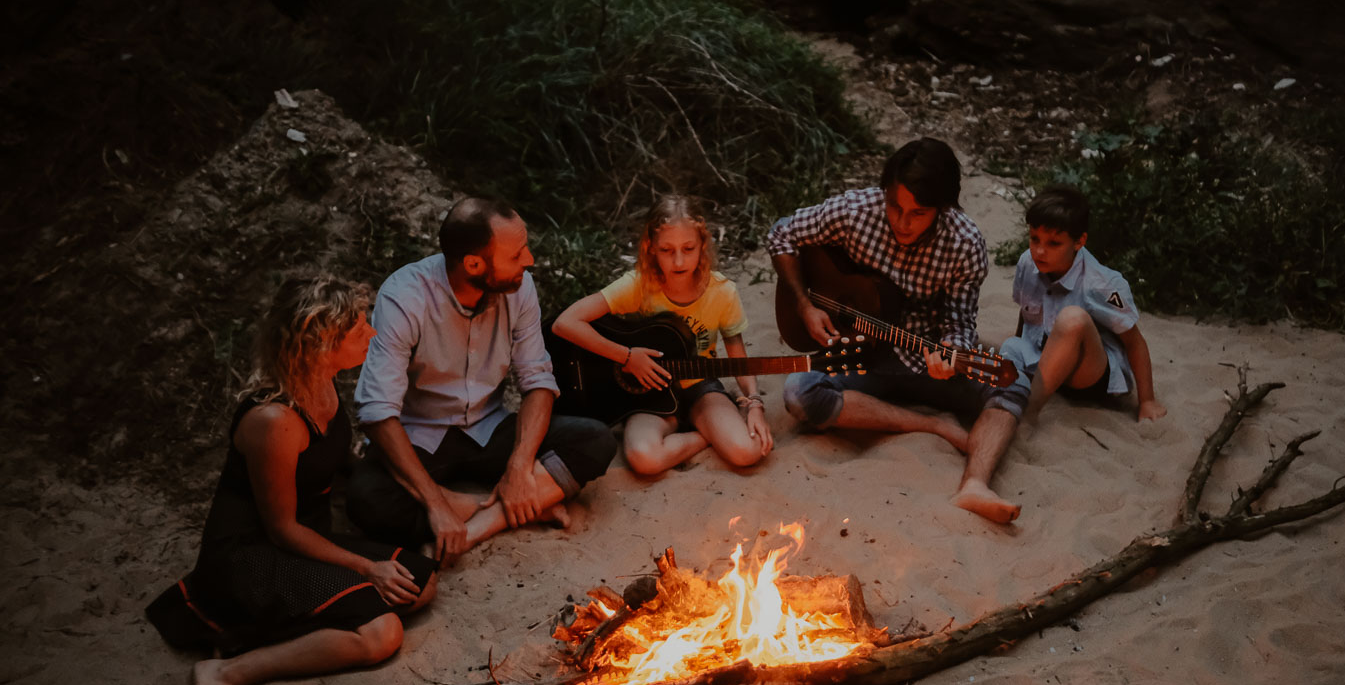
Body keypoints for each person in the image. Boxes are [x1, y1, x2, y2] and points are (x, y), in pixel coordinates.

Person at [146, 275, 440, 685]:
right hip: (251, 554)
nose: (373, 334)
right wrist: (366, 568)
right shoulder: (275, 420)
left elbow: (335, 466)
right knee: (384, 634)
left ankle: (288, 627)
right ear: (321, 346)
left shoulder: (320, 382)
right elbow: (281, 528)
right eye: (359, 329)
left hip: (306, 539)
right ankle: (228, 671)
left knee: (420, 584)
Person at [348, 197, 616, 564]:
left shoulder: (520, 288)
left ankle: (485, 522)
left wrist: (519, 467)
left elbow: (537, 379)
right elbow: (377, 412)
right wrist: (438, 503)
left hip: (489, 428)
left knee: (594, 439)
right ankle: (518, 505)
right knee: (366, 499)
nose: (529, 260)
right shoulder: (405, 297)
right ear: (474, 264)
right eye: (517, 254)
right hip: (422, 437)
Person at [773, 137, 1023, 524]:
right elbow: (782, 234)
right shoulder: (855, 210)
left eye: (918, 213)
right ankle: (932, 423)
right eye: (895, 206)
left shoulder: (964, 244)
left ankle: (975, 484)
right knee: (799, 392)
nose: (902, 223)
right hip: (858, 353)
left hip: (921, 357)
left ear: (942, 208)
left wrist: (951, 354)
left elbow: (958, 321)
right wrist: (805, 305)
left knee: (1012, 381)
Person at [551, 195, 773, 474]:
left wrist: (754, 403)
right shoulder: (639, 285)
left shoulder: (722, 292)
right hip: (647, 395)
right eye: (667, 250)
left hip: (699, 388)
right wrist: (627, 357)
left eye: (688, 248)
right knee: (644, 459)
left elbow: (739, 357)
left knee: (747, 452)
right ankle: (706, 435)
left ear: (702, 245)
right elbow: (565, 323)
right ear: (650, 248)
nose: (678, 260)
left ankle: (713, 425)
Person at [1000, 184, 1166, 423]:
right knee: (1010, 346)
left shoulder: (1102, 284)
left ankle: (1028, 413)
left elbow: (1134, 341)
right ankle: (1007, 401)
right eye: (1034, 238)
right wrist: (1019, 350)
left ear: (1079, 242)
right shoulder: (1028, 263)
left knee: (1072, 319)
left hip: (1088, 378)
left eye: (1054, 243)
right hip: (1045, 362)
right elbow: (1025, 315)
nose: (1040, 251)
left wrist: (1147, 400)